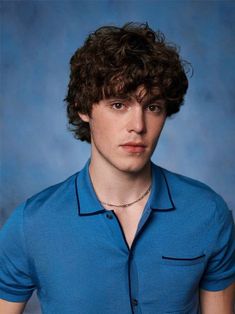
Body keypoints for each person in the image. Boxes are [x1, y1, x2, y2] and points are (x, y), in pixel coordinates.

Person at [0, 22, 234, 314]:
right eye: (119, 104)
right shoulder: (30, 225)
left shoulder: (207, 212)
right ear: (84, 108)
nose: (138, 126)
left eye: (152, 107)